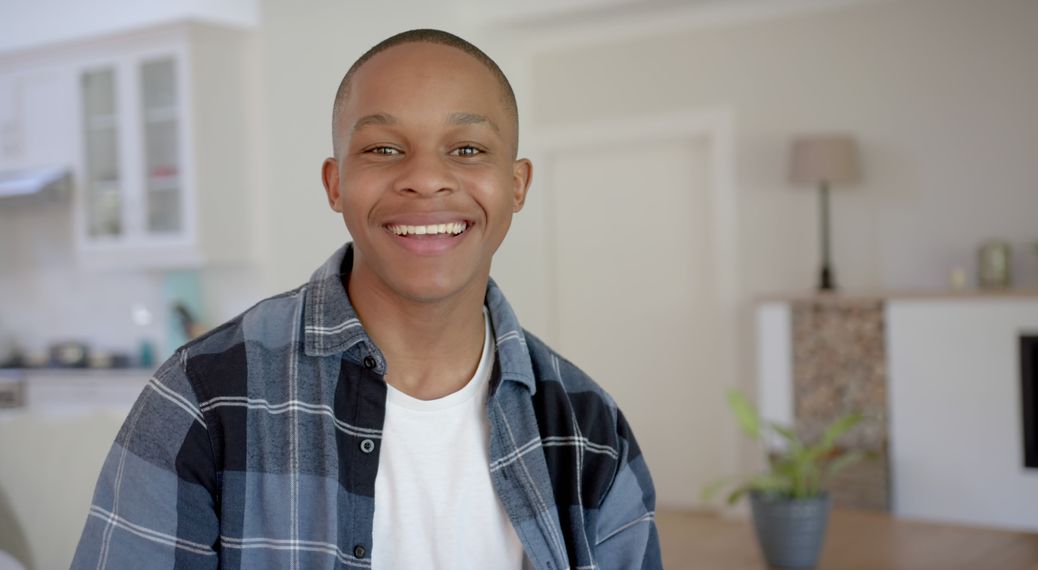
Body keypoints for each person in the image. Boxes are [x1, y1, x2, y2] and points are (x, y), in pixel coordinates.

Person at [72, 29, 661, 569]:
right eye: (383, 149)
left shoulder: (590, 427)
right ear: (335, 184)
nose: (426, 178)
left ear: (517, 185)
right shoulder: (201, 398)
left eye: (467, 150)